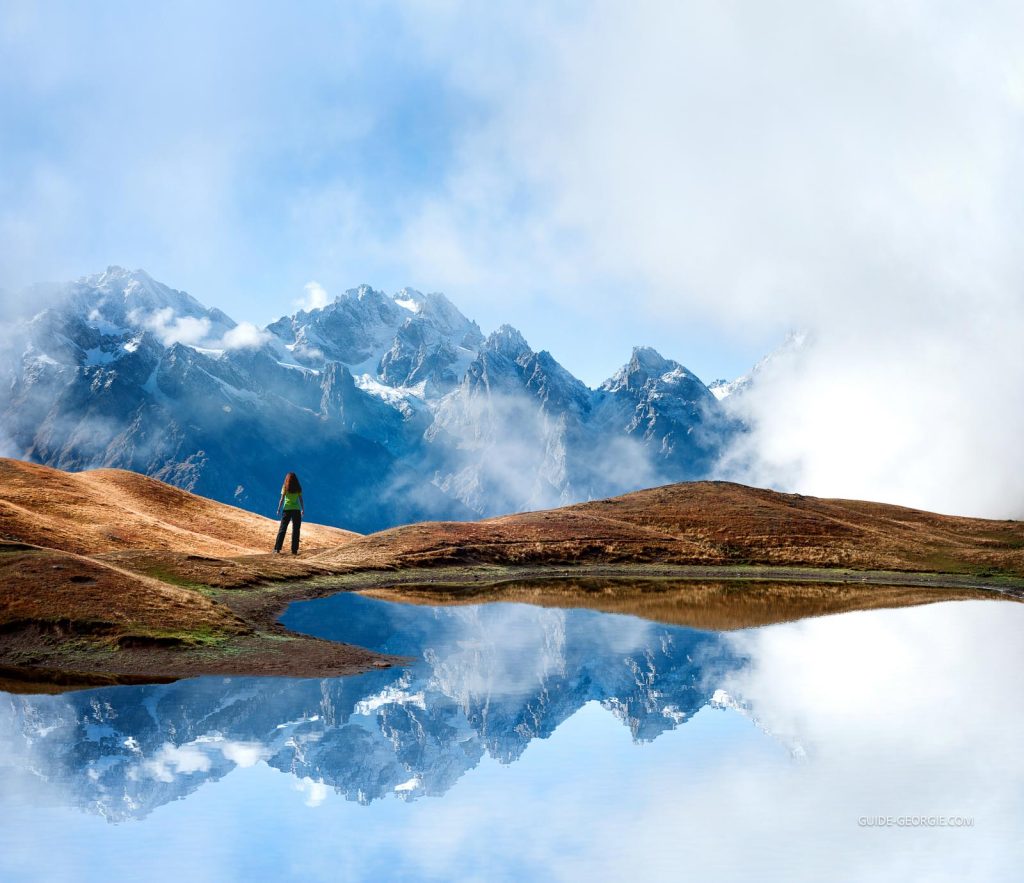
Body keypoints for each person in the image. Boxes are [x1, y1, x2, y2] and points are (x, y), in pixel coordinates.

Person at [274, 472, 304, 554]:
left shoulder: (285, 487)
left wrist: (278, 509)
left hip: (286, 510)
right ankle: (294, 550)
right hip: (296, 510)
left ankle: (277, 549)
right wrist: (302, 509)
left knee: (282, 529)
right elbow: (301, 499)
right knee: (296, 530)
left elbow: (282, 499)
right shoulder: (298, 487)